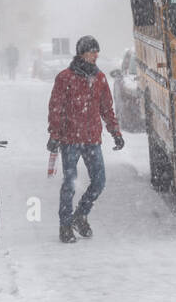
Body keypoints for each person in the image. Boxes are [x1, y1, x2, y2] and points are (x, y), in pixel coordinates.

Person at [47, 36, 124, 243]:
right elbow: (56, 108)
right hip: (70, 139)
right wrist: (54, 135)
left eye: (96, 52)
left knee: (99, 182)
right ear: (82, 53)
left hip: (92, 140)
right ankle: (65, 225)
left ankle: (80, 215)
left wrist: (115, 132)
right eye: (91, 52)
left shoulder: (99, 78)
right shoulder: (65, 78)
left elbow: (107, 108)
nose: (95, 55)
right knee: (70, 184)